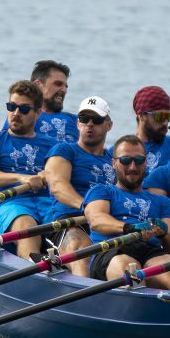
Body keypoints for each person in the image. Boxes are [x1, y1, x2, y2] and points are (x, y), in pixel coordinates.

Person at [83, 135, 170, 292]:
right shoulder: (102, 191)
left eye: (139, 160)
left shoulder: (162, 201)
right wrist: (132, 228)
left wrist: (163, 234)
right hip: (112, 250)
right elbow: (97, 220)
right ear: (114, 163)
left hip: (150, 251)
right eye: (126, 160)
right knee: (129, 269)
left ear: (146, 162)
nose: (133, 167)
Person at [0, 80, 58, 262]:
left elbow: (63, 175)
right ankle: (32, 268)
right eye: (11, 106)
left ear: (38, 112)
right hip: (12, 204)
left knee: (74, 231)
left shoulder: (53, 145)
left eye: (23, 109)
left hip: (48, 204)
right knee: (26, 224)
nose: (15, 113)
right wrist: (22, 178)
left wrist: (51, 174)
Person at [43, 95, 116, 276]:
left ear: (109, 125)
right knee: (81, 247)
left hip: (108, 223)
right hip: (70, 222)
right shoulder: (65, 150)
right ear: (77, 124)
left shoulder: (116, 160)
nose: (89, 124)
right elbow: (58, 186)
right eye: (84, 119)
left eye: (97, 119)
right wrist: (88, 207)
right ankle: (85, 296)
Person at [131, 85, 170, 172]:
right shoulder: (120, 151)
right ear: (142, 116)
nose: (165, 122)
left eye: (168, 116)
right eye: (160, 116)